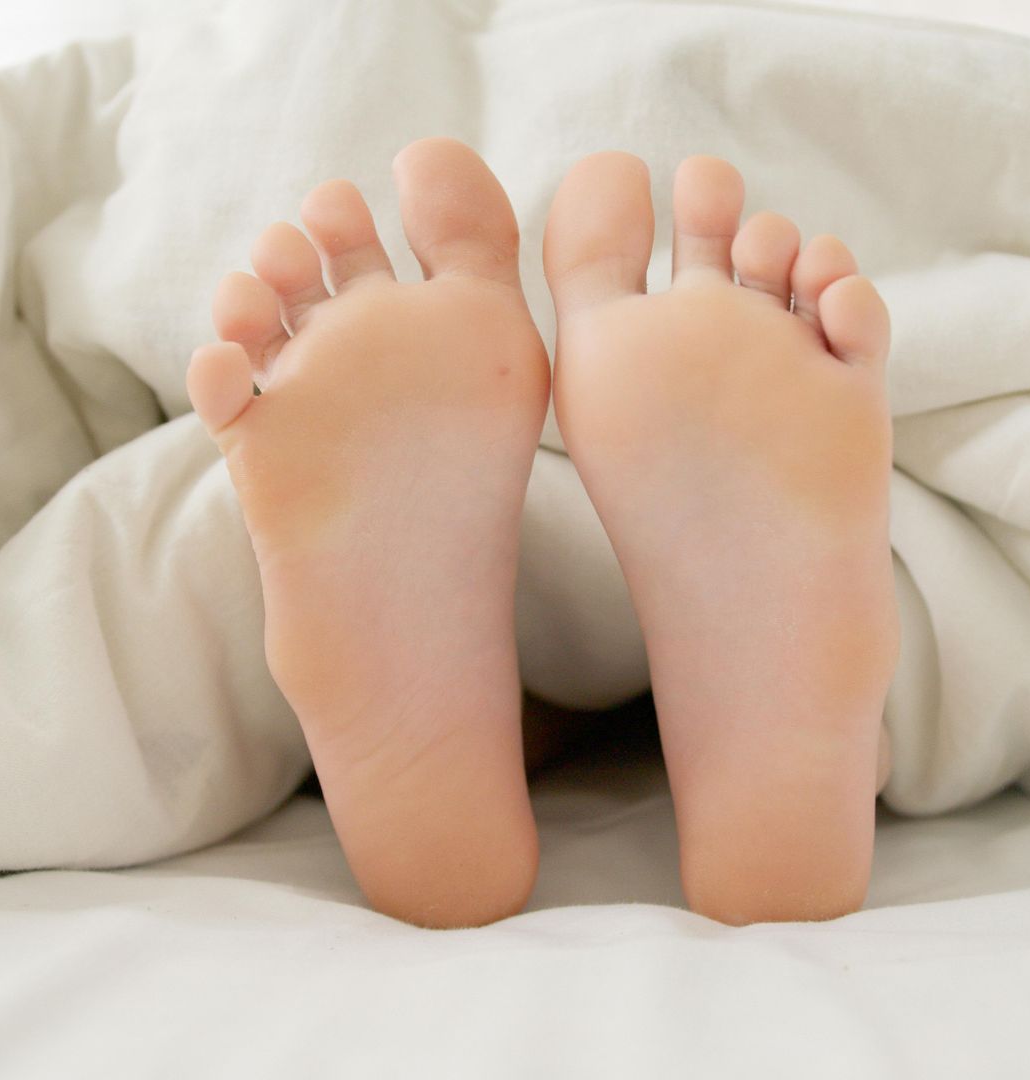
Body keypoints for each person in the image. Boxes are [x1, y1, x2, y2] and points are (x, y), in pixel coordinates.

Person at [186, 137, 896, 929]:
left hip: (543, 563)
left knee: (181, 578)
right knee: (915, 627)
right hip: (675, 522)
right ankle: (824, 766)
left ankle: (454, 788)